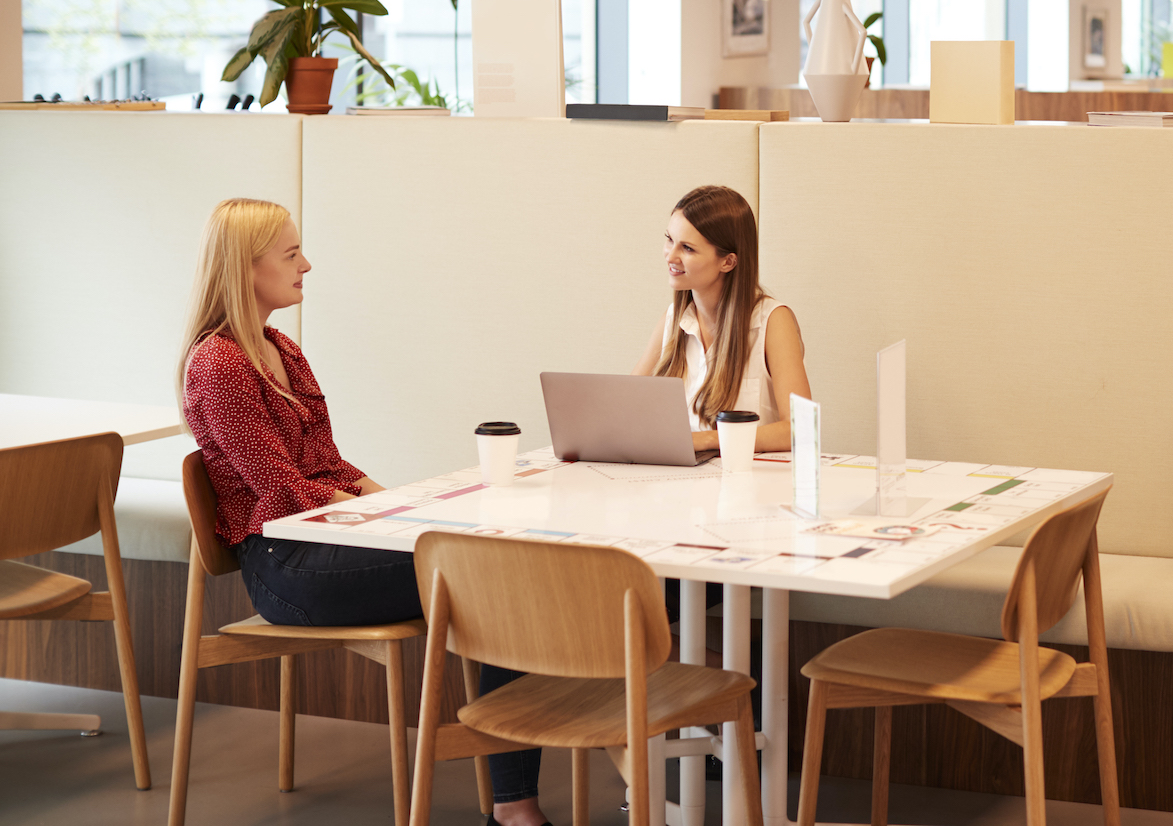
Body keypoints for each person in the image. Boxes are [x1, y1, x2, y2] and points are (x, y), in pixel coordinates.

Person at [177, 199, 549, 826]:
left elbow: (329, 463)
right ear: (246, 268)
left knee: (488, 563)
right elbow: (288, 493)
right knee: (486, 574)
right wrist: (392, 519)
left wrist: (403, 503)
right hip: (283, 564)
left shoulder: (280, 348)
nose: (308, 266)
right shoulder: (218, 365)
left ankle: (512, 800)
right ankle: (514, 806)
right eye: (292, 255)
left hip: (320, 541)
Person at [631, 184, 811, 451]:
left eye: (688, 248)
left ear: (727, 262)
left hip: (752, 486)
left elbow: (801, 429)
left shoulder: (773, 321)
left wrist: (709, 440)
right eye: (670, 239)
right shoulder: (673, 320)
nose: (670, 255)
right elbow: (627, 407)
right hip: (680, 484)